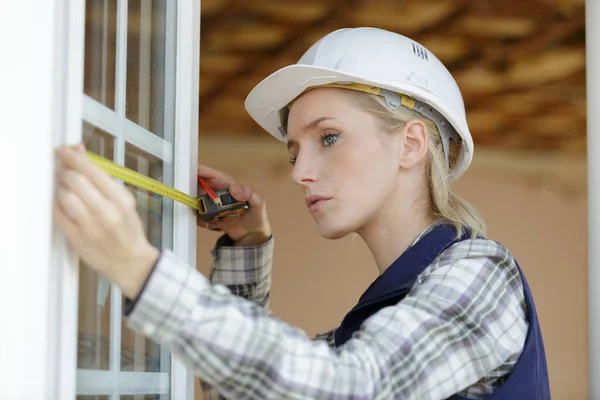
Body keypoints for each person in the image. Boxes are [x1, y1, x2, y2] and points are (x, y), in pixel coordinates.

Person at [54, 27, 550, 399]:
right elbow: (255, 388)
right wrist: (246, 252)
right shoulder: (382, 317)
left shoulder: (482, 275)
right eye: (295, 152)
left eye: (328, 138)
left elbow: (346, 388)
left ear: (411, 143)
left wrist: (138, 268)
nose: (300, 173)